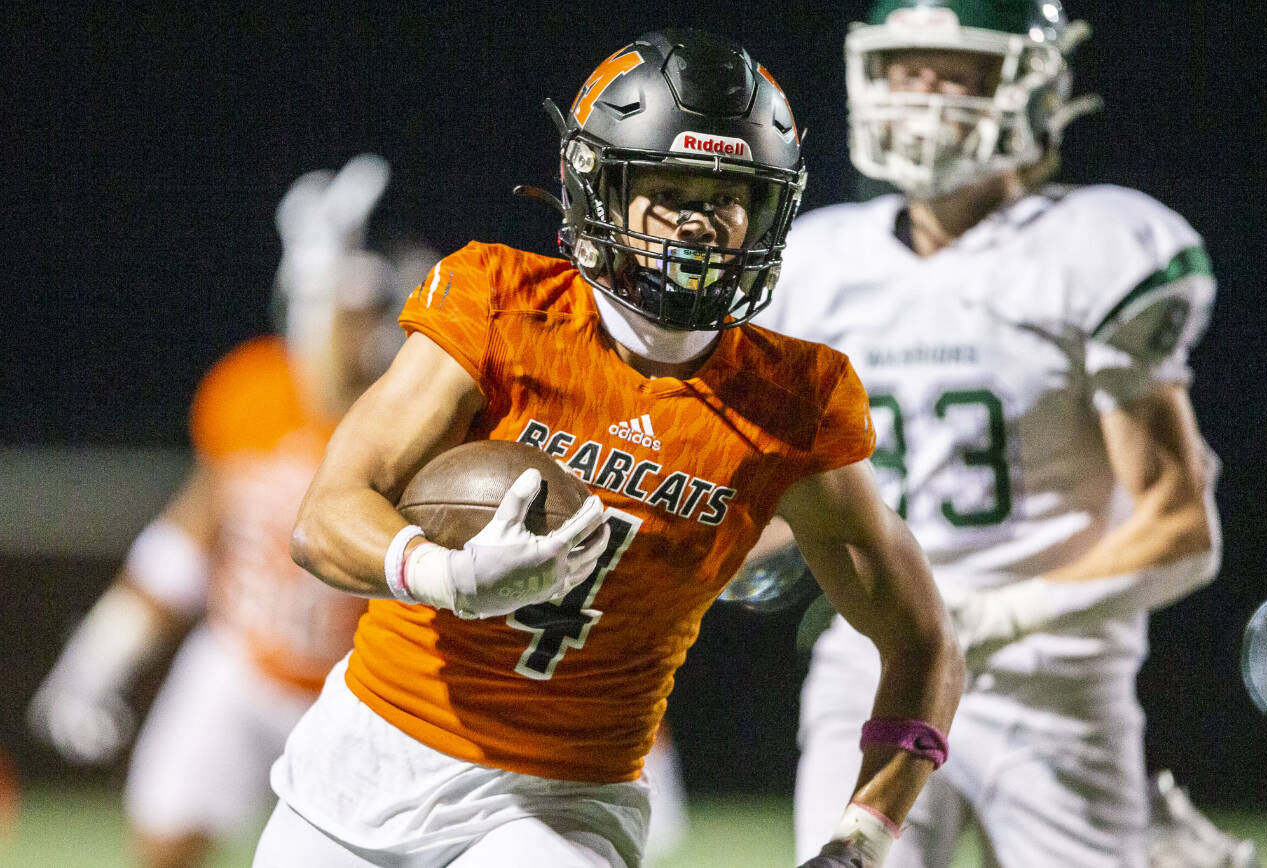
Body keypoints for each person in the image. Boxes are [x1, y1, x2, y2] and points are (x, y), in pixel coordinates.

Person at [251, 29, 964, 868]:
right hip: (371, 754)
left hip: (561, 802)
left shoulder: (794, 401)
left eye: (730, 195)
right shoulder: (498, 303)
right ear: (599, 189)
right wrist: (447, 576)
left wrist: (865, 835)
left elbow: (923, 642)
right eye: (668, 189)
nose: (699, 224)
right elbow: (326, 518)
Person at [750, 2, 1257, 866]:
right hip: (870, 662)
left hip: (1051, 679)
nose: (917, 93)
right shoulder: (818, 262)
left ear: (1030, 87)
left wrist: (996, 615)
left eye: (951, 70)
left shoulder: (1094, 248)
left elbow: (1183, 528)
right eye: (901, 67)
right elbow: (777, 503)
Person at [27, 154, 428, 868]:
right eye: (333, 305)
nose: (345, 328)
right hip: (242, 664)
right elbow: (188, 537)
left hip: (357, 685)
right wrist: (96, 661)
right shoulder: (248, 389)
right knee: (165, 841)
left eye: (354, 306)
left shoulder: (405, 413)